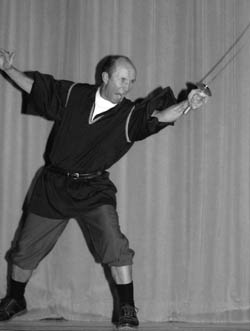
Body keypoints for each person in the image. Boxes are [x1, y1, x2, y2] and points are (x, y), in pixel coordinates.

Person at [0, 49, 209, 328]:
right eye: (122, 79)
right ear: (105, 77)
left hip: (93, 188)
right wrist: (8, 70)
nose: (126, 86)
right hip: (54, 184)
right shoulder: (74, 94)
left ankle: (126, 308)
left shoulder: (129, 115)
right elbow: (38, 89)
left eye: (131, 82)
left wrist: (186, 105)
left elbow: (158, 116)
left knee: (115, 244)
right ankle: (15, 299)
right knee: (25, 248)